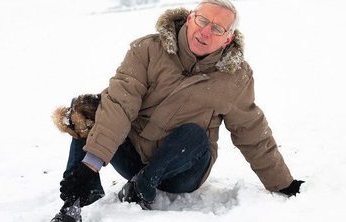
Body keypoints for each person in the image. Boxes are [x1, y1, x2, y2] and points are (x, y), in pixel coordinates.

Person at [51, 0, 304, 221]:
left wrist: (283, 183)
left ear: (228, 38)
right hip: (133, 156)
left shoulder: (236, 76)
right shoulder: (147, 51)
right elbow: (120, 104)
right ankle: (74, 202)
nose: (205, 31)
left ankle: (142, 187)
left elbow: (250, 129)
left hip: (183, 170)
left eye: (217, 28)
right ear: (190, 18)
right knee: (91, 109)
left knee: (194, 134)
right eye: (202, 20)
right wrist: (90, 165)